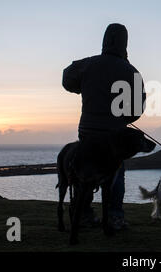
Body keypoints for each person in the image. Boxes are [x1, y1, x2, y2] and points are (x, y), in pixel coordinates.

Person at [62, 23, 146, 229]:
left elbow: (67, 78)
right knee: (116, 174)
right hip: (115, 134)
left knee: (85, 172)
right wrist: (122, 116)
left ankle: (83, 215)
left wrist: (81, 88)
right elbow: (136, 111)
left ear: (104, 40)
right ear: (125, 44)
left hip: (88, 131)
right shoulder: (131, 71)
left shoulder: (88, 64)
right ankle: (115, 217)